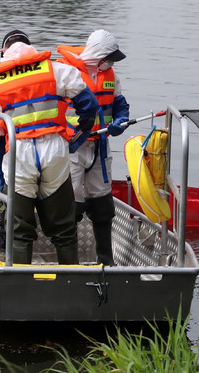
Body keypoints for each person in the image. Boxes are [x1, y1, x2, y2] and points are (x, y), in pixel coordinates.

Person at [0, 30, 98, 265]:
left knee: (19, 229)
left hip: (19, 154)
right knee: (64, 228)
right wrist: (79, 132)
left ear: (4, 52)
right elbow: (89, 104)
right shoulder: (57, 70)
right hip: (54, 151)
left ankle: (20, 283)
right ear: (31, 47)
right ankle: (70, 280)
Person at [56, 30, 130, 266]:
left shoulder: (111, 75)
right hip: (72, 146)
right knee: (71, 202)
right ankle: (69, 263)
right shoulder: (63, 72)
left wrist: (121, 121)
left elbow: (120, 104)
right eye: (108, 57)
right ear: (98, 54)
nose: (111, 62)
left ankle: (106, 262)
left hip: (100, 145)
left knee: (102, 203)